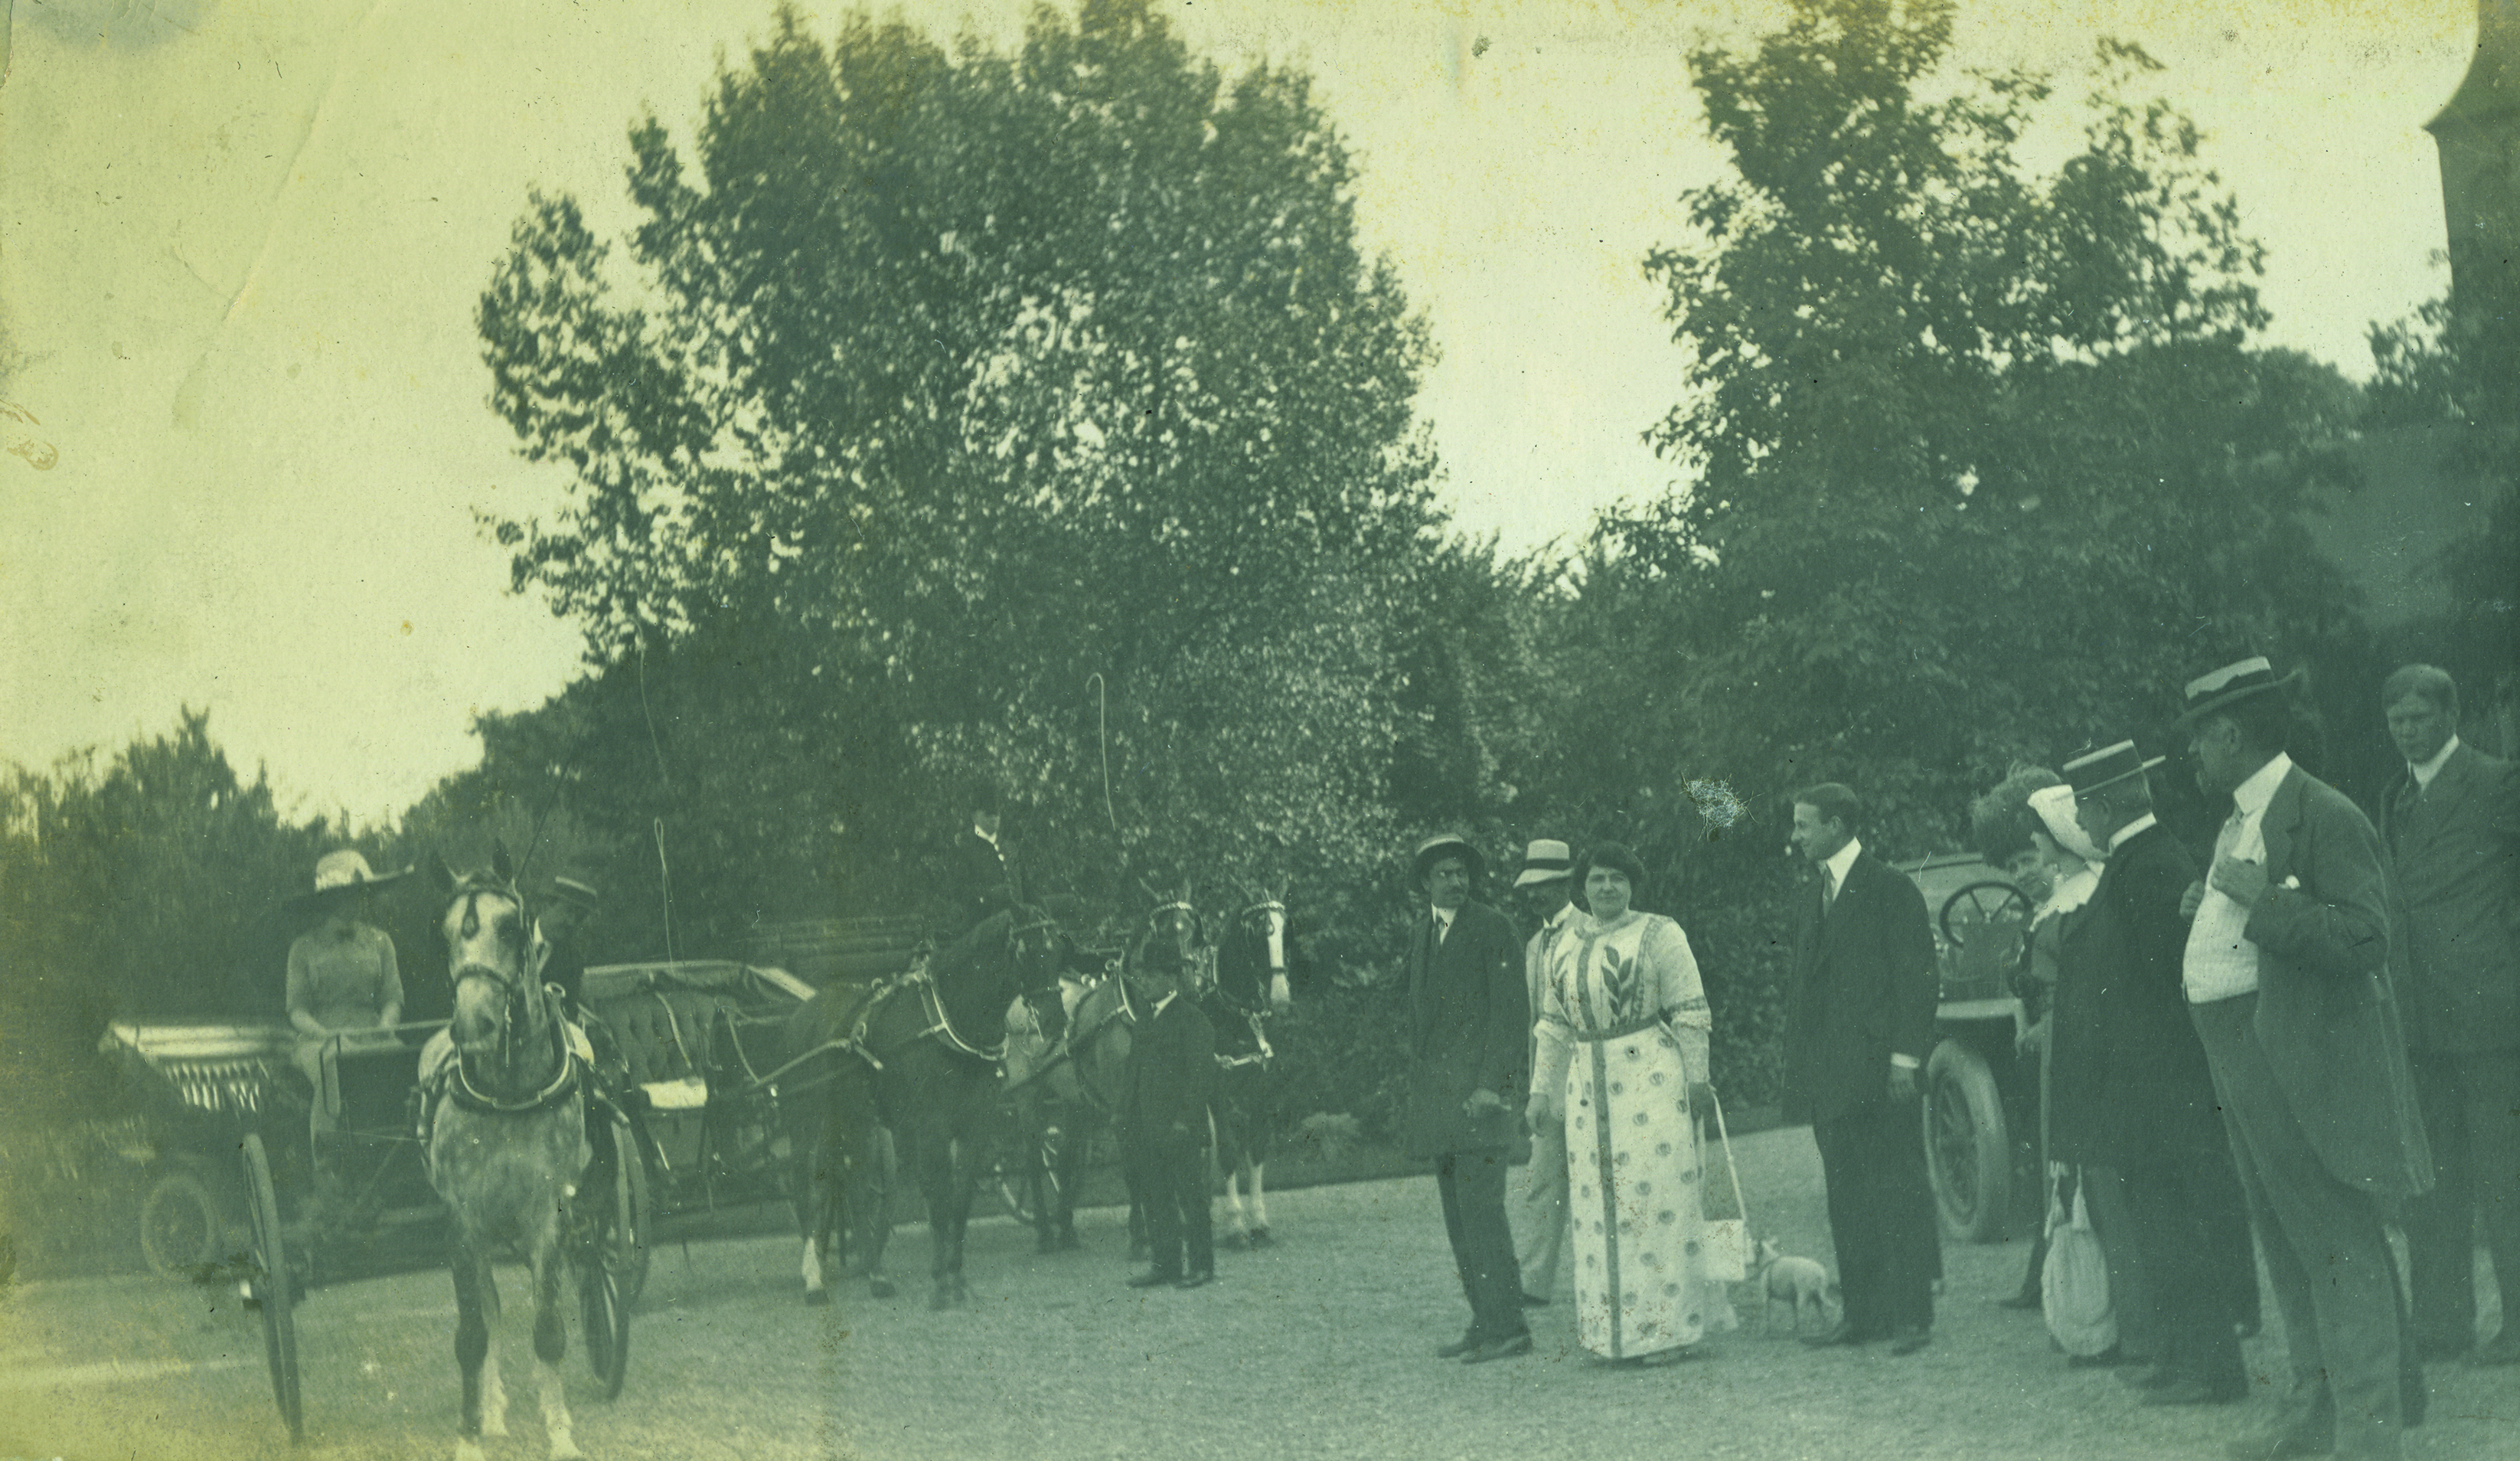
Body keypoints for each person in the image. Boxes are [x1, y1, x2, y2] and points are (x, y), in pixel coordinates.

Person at [2175, 658, 2433, 1461]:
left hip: (2293, 1061)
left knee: (2333, 1239)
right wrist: (2213, 910)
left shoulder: (2324, 812)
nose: (2191, 757)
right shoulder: (2237, 818)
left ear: (2229, 733)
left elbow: (2366, 939)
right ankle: (2318, 1409)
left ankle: (2367, 1433)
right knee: (2285, 1238)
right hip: (2238, 1054)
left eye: (2198, 741)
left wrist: (2261, 902)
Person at [2060, 742, 2254, 1406]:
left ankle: (2213, 1368)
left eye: (2082, 807)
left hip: (2163, 1092)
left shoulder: (2151, 865)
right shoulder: (2137, 861)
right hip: (2145, 1092)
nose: (2079, 821)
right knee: (2157, 1228)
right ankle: (2180, 1356)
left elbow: (2173, 982)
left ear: (2104, 803)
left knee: (2178, 1228)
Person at [1526, 842, 1734, 1365]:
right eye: (1597, 879)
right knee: (1598, 1213)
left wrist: (1696, 1078)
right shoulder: (1562, 945)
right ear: (1583, 886)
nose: (1607, 888)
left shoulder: (1660, 933)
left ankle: (1665, 1333)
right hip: (1587, 1091)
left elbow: (1690, 1008)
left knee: (1656, 1203)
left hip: (1650, 1080)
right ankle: (1612, 1335)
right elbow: (1552, 1026)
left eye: (1618, 878)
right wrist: (1539, 1090)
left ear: (1633, 884)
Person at [2375, 664, 2520, 1366]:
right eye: (2397, 720)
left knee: (2507, 1174)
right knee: (2430, 1179)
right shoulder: (2394, 797)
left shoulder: (2497, 783)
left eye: (2420, 718)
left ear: (2451, 716)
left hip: (2490, 1016)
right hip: (2419, 1018)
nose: (2407, 730)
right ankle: (2441, 1322)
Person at [1781, 783, 1940, 1355]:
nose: (1795, 837)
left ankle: (1912, 1316)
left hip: (1880, 1073)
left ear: (1839, 825)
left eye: (1804, 825)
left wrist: (1905, 1059)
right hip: (1831, 1079)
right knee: (1845, 1195)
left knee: (1896, 1189)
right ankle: (1864, 1314)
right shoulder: (1810, 896)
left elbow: (1917, 979)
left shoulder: (1890, 889)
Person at [1967, 769, 2106, 1322]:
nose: (2024, 874)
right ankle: (2049, 1275)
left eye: (2029, 861)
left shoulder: (2074, 903)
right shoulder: (2041, 913)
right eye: (2013, 868)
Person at [1399, 832, 1532, 1365]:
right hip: (1441, 1107)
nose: (1456, 881)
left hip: (1481, 1104)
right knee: (1459, 1221)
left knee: (1483, 1215)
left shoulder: (1493, 927)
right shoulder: (1422, 934)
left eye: (1462, 872)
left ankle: (1511, 1327)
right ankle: (1484, 1321)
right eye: (1445, 873)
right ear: (1426, 883)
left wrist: (1491, 1086)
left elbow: (1509, 1014)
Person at [286, 851, 409, 1136]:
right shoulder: (303, 948)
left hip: (372, 1033)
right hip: (319, 1038)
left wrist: (385, 1028)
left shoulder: (380, 942)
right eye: (351, 894)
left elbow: (392, 997)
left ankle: (406, 1149)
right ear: (330, 899)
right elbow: (297, 1010)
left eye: (362, 893)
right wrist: (325, 1035)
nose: (359, 900)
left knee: (407, 1061)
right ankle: (326, 1159)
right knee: (335, 1066)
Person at [1117, 949, 1217, 1290]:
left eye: (1152, 975)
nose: (1143, 981)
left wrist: (1185, 1122)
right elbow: (1134, 1074)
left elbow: (1200, 1078)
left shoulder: (1193, 1020)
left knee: (1191, 1197)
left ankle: (1202, 1265)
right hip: (1146, 1127)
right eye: (1141, 975)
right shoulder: (1145, 1020)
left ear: (1172, 980)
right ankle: (1166, 1264)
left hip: (1179, 1128)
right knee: (1156, 1196)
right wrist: (1124, 1117)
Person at [1507, 838, 1578, 1307]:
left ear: (1567, 883)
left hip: (1591, 1077)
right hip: (1547, 1084)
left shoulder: (1593, 931)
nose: (1538, 896)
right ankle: (1534, 1281)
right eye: (1532, 887)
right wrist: (1534, 1085)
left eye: (1547, 886)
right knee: (1542, 1181)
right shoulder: (1534, 944)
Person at [952, 789, 1017, 937]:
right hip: (980, 931)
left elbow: (1027, 887)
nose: (993, 816)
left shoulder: (1011, 848)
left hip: (1017, 930)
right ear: (974, 816)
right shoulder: (964, 849)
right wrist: (990, 893)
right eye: (987, 812)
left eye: (996, 812)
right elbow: (958, 891)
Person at [537, 874, 599, 1014]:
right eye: (568, 911)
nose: (571, 922)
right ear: (546, 907)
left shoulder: (572, 962)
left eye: (579, 917)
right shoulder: (514, 934)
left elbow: (568, 1013)